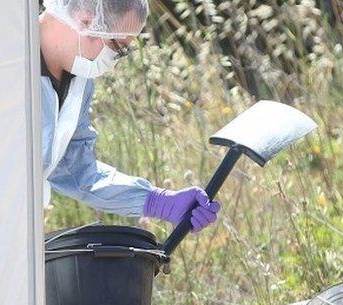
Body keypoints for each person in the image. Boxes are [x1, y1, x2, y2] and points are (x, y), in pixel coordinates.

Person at [39, 0, 220, 232]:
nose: (114, 60)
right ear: (86, 20)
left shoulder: (79, 80)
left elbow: (75, 171)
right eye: (118, 46)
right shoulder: (9, 66)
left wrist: (158, 201)